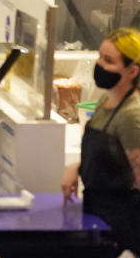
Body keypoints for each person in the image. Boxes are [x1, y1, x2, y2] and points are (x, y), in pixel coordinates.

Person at [62, 27, 140, 255]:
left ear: (132, 71)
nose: (100, 65)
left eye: (109, 61)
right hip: (96, 217)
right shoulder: (104, 102)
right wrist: (76, 167)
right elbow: (111, 159)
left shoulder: (131, 117)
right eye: (99, 56)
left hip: (119, 230)